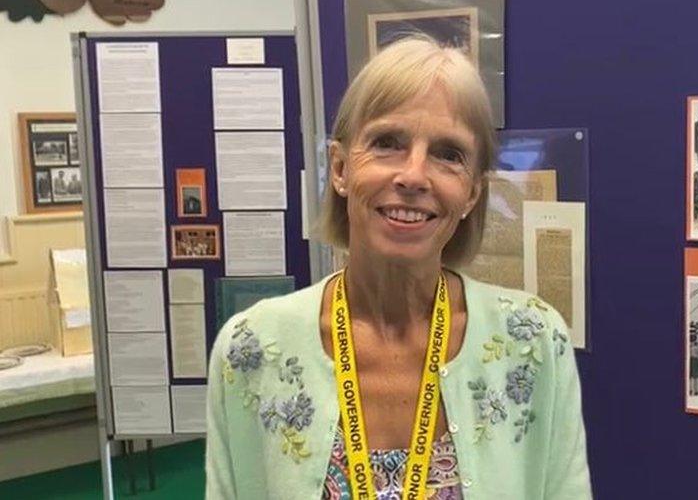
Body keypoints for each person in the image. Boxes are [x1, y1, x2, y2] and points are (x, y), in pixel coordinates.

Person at [205, 37, 592, 499]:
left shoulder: (533, 341)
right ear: (341, 168)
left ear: (471, 192)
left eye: (448, 154)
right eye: (387, 143)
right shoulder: (252, 348)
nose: (413, 176)